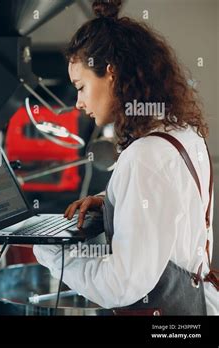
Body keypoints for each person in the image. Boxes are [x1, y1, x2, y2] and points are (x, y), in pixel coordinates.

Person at [33, 0, 218, 315]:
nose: (77, 102)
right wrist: (110, 200)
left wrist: (50, 254)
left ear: (111, 74)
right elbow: (171, 206)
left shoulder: (144, 156)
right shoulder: (183, 134)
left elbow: (122, 284)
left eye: (80, 87)